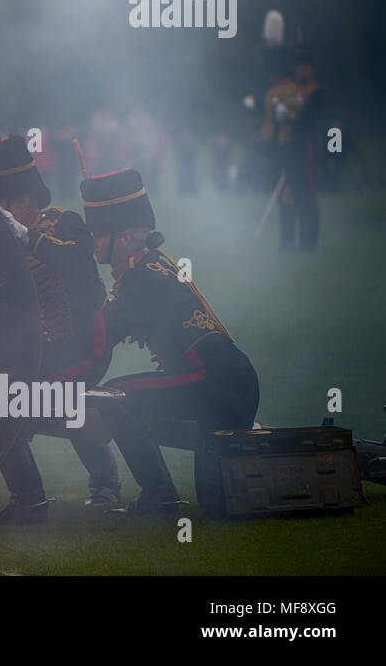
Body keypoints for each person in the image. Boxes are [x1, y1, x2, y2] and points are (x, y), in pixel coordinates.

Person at [77, 169, 260, 514]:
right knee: (127, 403)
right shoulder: (150, 267)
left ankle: (159, 496)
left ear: (127, 237)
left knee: (115, 398)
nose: (95, 243)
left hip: (213, 384)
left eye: (100, 235)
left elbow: (98, 337)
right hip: (227, 383)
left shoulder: (141, 279)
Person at [0, 135, 120, 521]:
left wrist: (27, 238)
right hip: (30, 350)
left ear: (24, 202)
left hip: (79, 348)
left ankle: (35, 498)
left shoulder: (65, 224)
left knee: (8, 400)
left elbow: (80, 267)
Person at [263, 44, 326, 250]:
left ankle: (309, 243)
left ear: (311, 69)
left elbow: (306, 121)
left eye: (306, 66)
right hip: (287, 151)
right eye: (299, 66)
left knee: (305, 196)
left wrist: (287, 118)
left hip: (305, 150)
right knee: (286, 196)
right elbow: (281, 115)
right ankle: (287, 241)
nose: (302, 70)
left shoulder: (316, 92)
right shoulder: (292, 91)